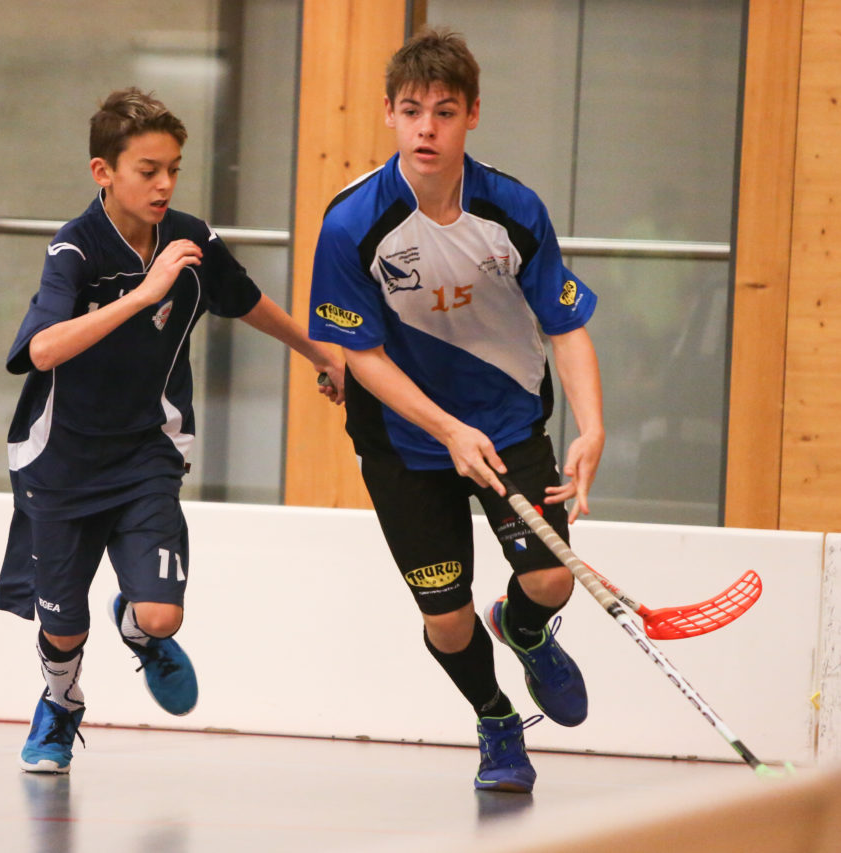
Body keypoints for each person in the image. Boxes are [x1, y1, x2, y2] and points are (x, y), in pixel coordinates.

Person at [0, 87, 345, 774]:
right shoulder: (73, 249)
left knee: (161, 616)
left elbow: (247, 301)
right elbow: (40, 351)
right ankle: (62, 702)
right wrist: (144, 293)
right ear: (104, 172)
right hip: (59, 462)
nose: (164, 184)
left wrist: (320, 353)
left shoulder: (190, 239)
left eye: (174, 169)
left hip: (147, 454)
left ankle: (136, 625)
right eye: (148, 169)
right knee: (63, 627)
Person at [307, 29, 604, 793]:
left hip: (507, 425)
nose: (427, 128)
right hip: (405, 443)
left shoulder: (515, 211)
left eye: (444, 111)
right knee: (445, 612)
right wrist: (444, 428)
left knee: (552, 580)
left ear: (472, 114)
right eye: (412, 112)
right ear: (389, 116)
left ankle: (526, 628)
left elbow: (565, 323)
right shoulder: (350, 225)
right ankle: (497, 721)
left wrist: (593, 428)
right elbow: (361, 355)